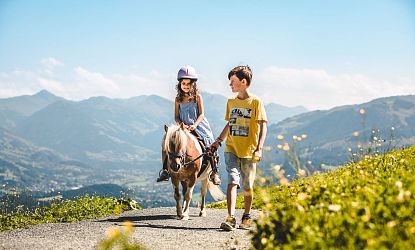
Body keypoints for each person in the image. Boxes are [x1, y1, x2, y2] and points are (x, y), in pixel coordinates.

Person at [210, 65, 267, 231]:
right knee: (233, 181)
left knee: (248, 185)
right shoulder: (231, 102)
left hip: (249, 151)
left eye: (233, 81)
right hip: (231, 148)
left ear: (243, 82)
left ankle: (246, 216)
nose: (230, 85)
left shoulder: (256, 102)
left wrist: (259, 148)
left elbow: (263, 126)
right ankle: (230, 217)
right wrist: (219, 140)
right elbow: (230, 123)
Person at [157, 65, 221, 185]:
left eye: (188, 83)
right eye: (183, 83)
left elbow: (201, 114)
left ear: (193, 84)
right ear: (179, 84)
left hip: (198, 125)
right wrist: (181, 125)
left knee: (209, 145)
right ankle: (166, 170)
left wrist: (195, 125)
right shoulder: (178, 99)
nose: (186, 86)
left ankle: (214, 172)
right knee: (167, 142)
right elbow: (176, 116)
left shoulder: (197, 97)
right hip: (182, 127)